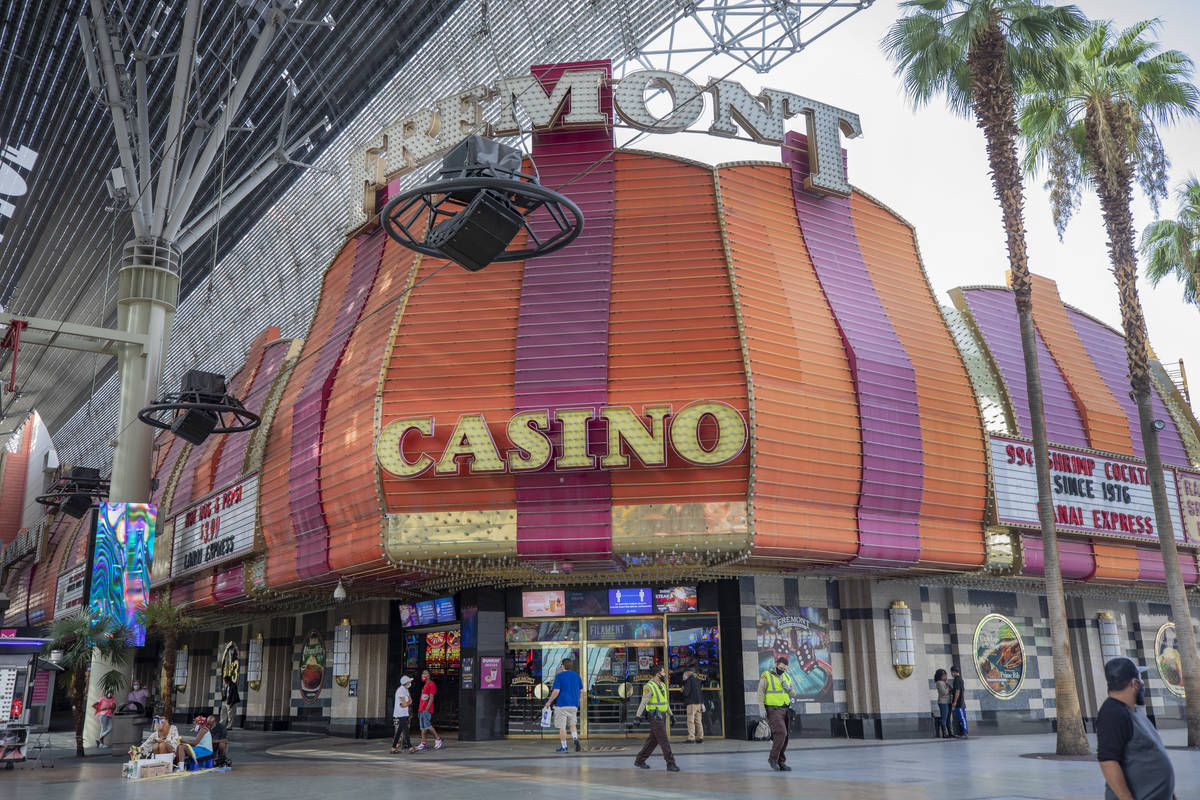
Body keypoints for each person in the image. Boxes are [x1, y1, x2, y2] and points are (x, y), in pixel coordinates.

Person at [1096, 657, 1176, 800]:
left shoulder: (1133, 711)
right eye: (1139, 679)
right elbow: (1108, 761)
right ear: (1134, 683)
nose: (1142, 683)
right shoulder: (1113, 713)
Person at [757, 655, 801, 771]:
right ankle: (773, 759)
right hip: (773, 709)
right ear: (776, 664)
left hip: (785, 710)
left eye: (785, 668)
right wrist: (761, 708)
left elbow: (794, 694)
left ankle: (781, 762)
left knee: (785, 737)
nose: (783, 670)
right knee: (781, 733)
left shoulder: (786, 676)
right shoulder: (766, 675)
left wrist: (789, 689)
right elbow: (760, 692)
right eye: (781, 667)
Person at [633, 664, 680, 772]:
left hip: (662, 715)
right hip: (655, 716)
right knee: (664, 739)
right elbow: (643, 702)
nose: (664, 674)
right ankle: (670, 763)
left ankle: (639, 760)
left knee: (653, 740)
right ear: (658, 673)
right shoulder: (649, 686)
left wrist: (671, 715)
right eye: (663, 672)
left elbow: (665, 702)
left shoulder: (662, 685)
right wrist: (637, 716)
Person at [544, 657, 584, 753]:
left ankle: (564, 746)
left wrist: (549, 701)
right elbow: (581, 691)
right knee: (572, 724)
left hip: (562, 705)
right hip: (573, 705)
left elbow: (556, 691)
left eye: (561, 665)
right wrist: (577, 700)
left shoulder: (560, 676)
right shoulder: (577, 676)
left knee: (562, 726)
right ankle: (575, 739)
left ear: (563, 666)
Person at [414, 669, 443, 751]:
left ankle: (438, 739)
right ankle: (423, 743)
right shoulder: (425, 684)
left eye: (425, 673)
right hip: (421, 708)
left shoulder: (431, 684)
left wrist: (427, 708)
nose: (423, 675)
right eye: (423, 673)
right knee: (422, 727)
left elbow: (431, 697)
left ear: (429, 675)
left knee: (427, 725)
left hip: (426, 709)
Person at [681, 669, 704, 744]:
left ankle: (691, 738)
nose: (684, 675)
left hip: (691, 703)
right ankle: (700, 737)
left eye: (685, 673)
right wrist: (701, 703)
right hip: (699, 703)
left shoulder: (689, 681)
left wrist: (682, 690)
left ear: (688, 673)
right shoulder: (698, 680)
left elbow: (686, 693)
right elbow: (700, 692)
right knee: (698, 721)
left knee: (690, 721)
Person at [391, 675, 413, 753]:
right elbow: (405, 703)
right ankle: (410, 747)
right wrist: (406, 703)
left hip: (404, 712)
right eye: (409, 681)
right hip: (400, 713)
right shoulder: (401, 690)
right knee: (405, 729)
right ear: (406, 682)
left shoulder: (406, 690)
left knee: (400, 731)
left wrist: (406, 704)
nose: (410, 682)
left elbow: (410, 701)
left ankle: (393, 747)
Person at [949, 665, 968, 738]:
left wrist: (955, 701)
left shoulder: (957, 679)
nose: (952, 674)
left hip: (959, 703)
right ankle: (963, 732)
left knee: (961, 718)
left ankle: (965, 732)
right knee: (962, 717)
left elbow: (957, 691)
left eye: (952, 672)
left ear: (954, 672)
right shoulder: (961, 679)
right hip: (961, 702)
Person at [933, 669, 953, 739]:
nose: (945, 676)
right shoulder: (939, 682)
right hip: (943, 702)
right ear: (939, 675)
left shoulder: (945, 682)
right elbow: (943, 692)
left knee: (948, 718)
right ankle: (944, 733)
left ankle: (950, 733)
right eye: (943, 674)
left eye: (945, 674)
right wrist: (948, 687)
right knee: (944, 717)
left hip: (948, 701)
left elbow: (950, 691)